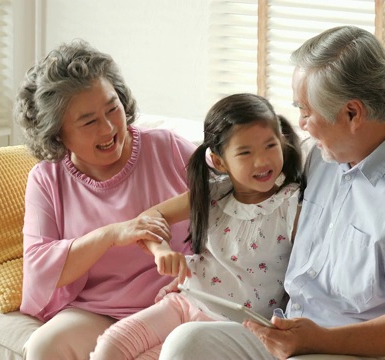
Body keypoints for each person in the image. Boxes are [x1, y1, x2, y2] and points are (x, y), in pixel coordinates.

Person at [158, 25, 385, 360]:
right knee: (188, 343)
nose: (301, 124)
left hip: (374, 352)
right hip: (297, 334)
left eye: (306, 111)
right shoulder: (327, 155)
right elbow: (253, 205)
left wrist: (317, 340)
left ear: (352, 113)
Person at [13, 40, 197, 360]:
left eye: (112, 108)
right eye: (89, 121)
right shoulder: (47, 179)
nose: (110, 127)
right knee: (43, 347)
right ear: (58, 133)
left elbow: (230, 201)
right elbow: (41, 269)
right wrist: (112, 235)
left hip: (175, 306)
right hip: (97, 312)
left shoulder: (168, 148)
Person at [90, 93, 304, 360]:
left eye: (270, 146)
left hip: (231, 329)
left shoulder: (291, 204)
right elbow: (149, 218)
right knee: (110, 348)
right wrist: (161, 251)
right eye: (245, 152)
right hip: (185, 300)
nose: (262, 161)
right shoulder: (212, 193)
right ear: (218, 161)